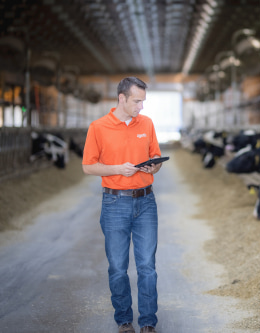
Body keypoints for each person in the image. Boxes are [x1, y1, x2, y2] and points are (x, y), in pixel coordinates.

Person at [82, 77, 162, 333]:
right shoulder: (98, 127)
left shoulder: (146, 124)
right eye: (137, 101)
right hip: (115, 202)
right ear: (122, 98)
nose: (141, 107)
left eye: (143, 101)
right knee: (118, 267)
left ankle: (148, 322)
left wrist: (154, 165)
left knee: (147, 266)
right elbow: (88, 166)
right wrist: (117, 169)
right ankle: (124, 320)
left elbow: (157, 159)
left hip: (146, 201)